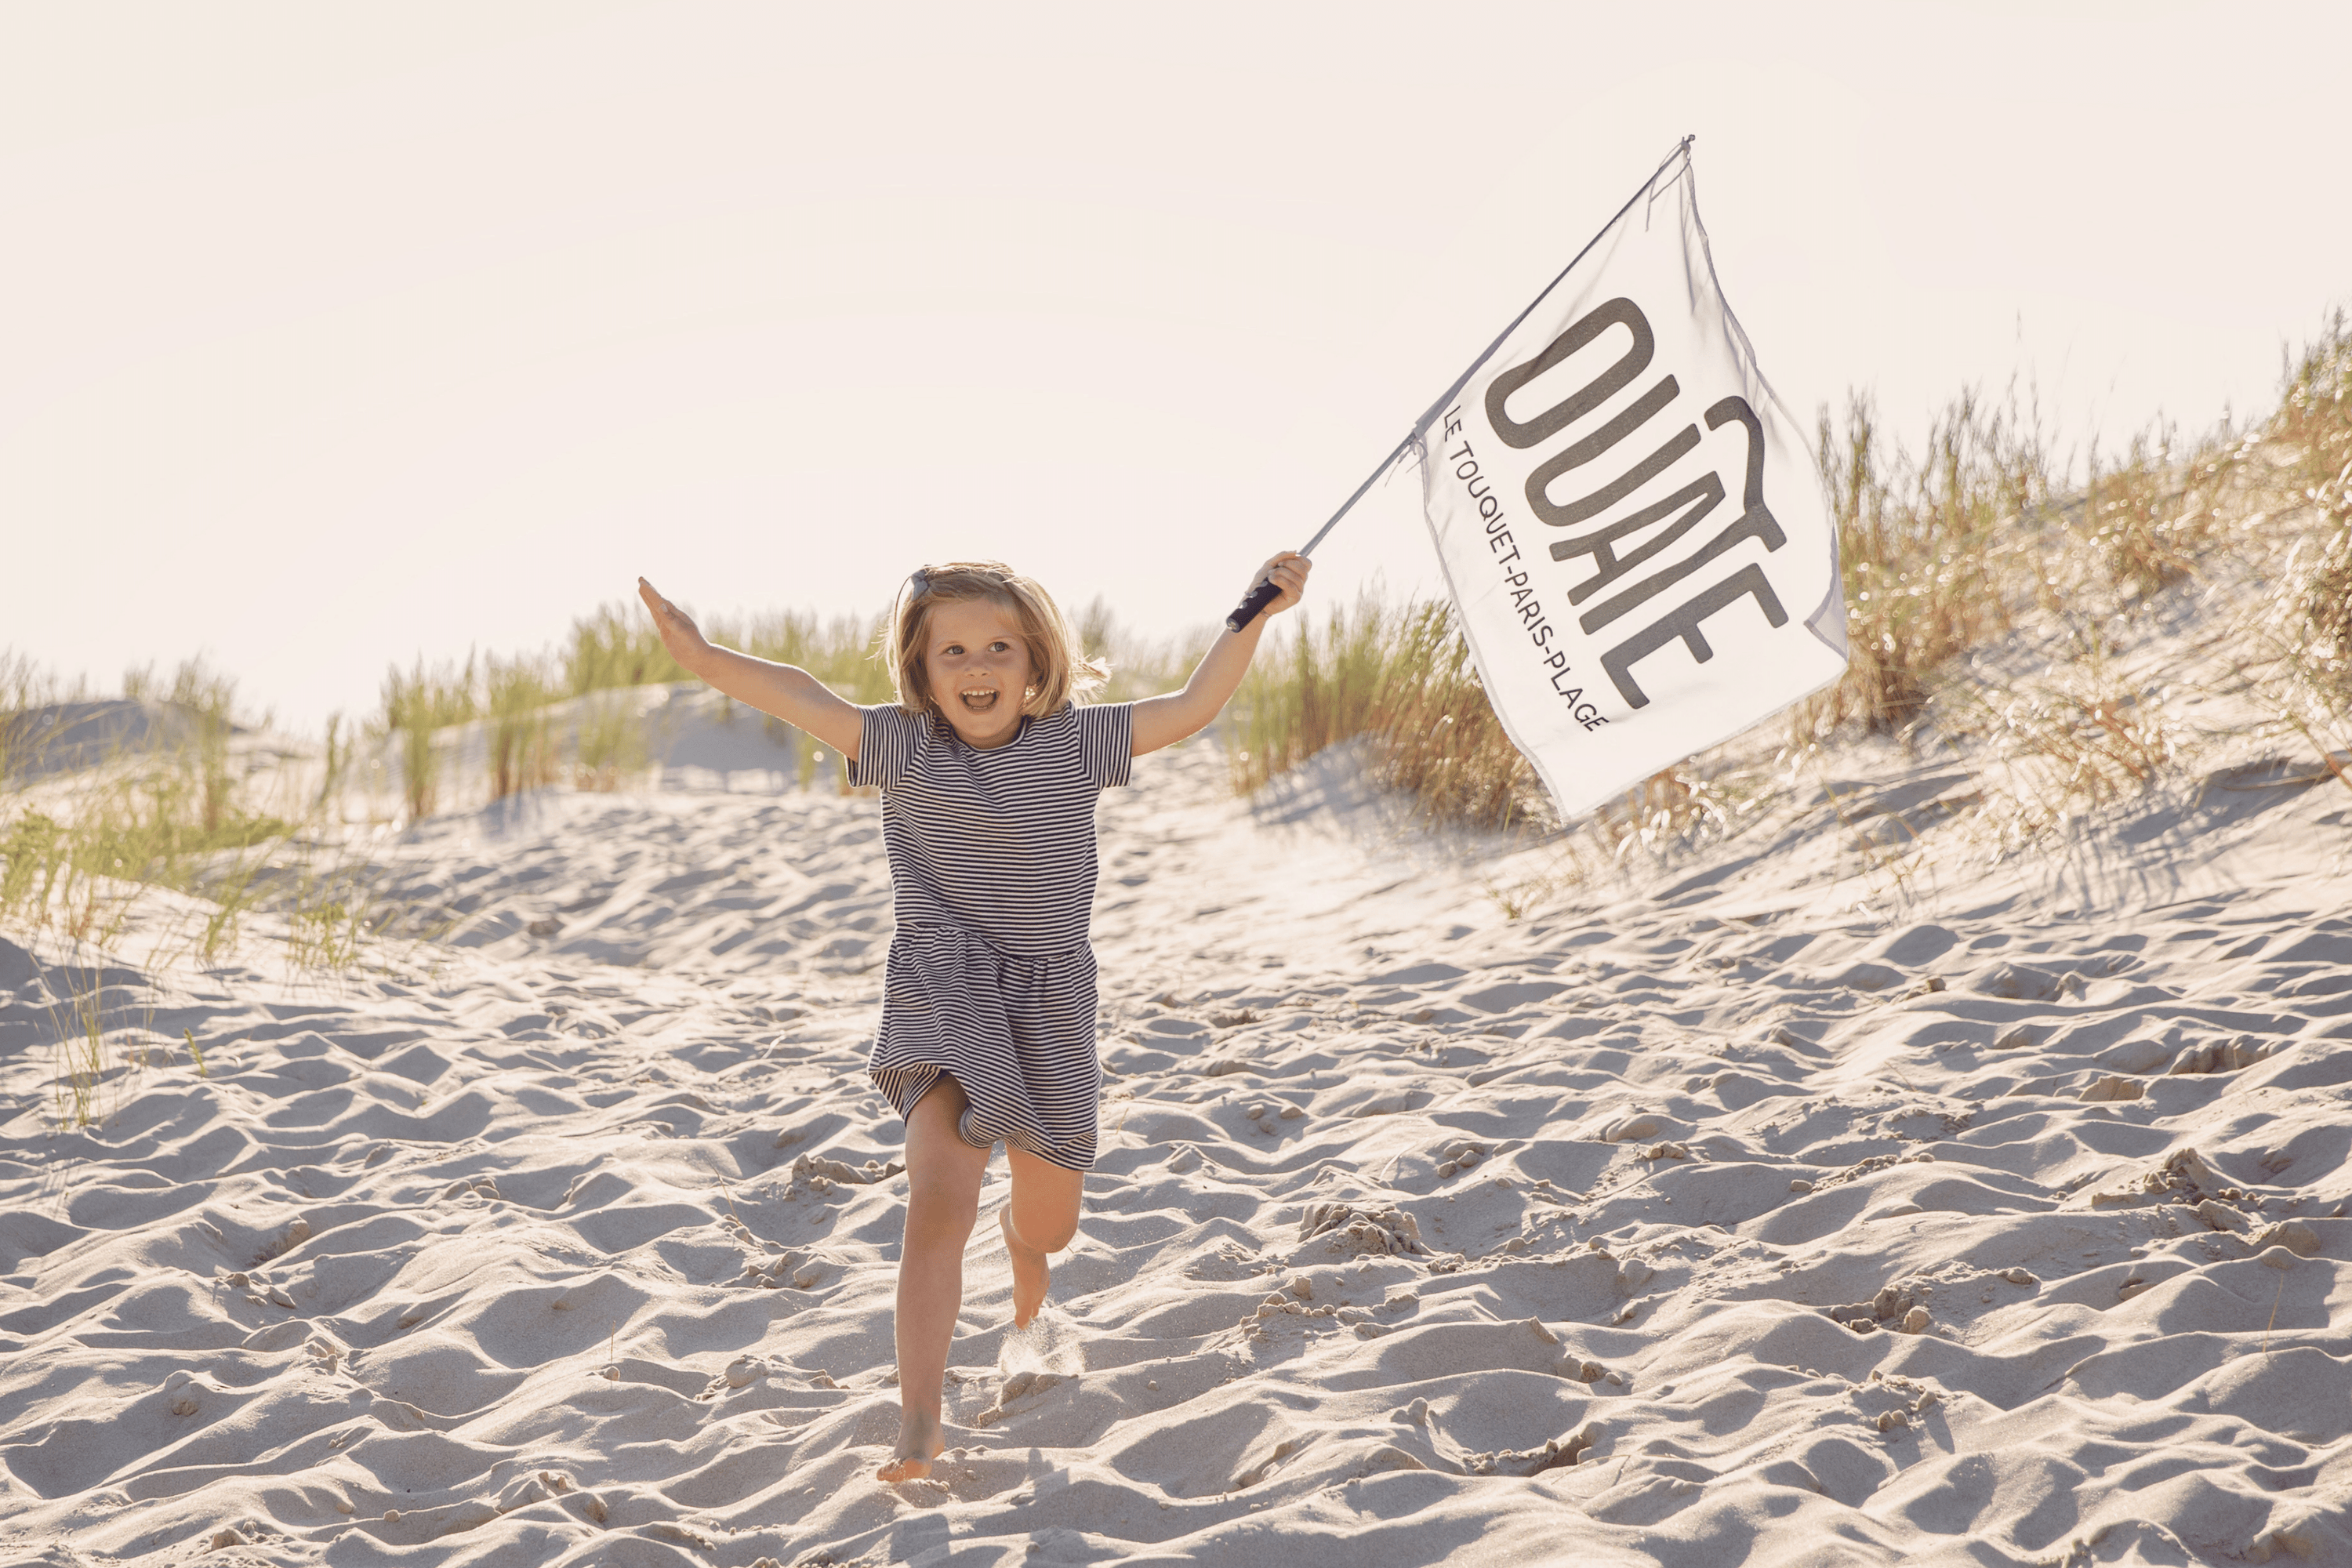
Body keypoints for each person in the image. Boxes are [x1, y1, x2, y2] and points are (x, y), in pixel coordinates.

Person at [634, 554, 1310, 1482]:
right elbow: (797, 693)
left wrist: (1256, 612)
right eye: (952, 649)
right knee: (938, 1198)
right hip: (942, 988)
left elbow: (1192, 706)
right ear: (920, 668)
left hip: (1049, 1004)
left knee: (1052, 1221)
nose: (977, 664)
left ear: (1035, 660)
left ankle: (1025, 1257)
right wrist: (703, 652)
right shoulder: (904, 747)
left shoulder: (1076, 742)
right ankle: (919, 1417)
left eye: (998, 644)